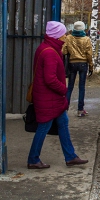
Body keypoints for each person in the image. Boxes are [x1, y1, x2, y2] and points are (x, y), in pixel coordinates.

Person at [27, 21, 88, 169]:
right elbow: (50, 79)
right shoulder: (49, 52)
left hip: (51, 98)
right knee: (44, 127)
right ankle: (33, 159)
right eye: (63, 34)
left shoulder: (47, 48)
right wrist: (63, 90)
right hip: (48, 98)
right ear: (56, 35)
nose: (65, 36)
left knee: (63, 123)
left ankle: (71, 156)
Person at [62, 21, 94, 117]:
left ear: (74, 28)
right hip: (83, 64)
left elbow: (63, 51)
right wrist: (91, 66)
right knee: (81, 87)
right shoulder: (86, 39)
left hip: (72, 63)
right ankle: (80, 110)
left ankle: (65, 109)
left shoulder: (69, 38)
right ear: (83, 28)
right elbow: (89, 54)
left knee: (70, 87)